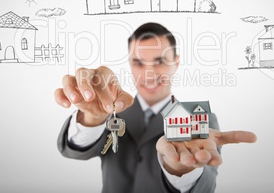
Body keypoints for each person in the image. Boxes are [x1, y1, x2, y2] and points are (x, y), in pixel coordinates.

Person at [55, 22, 256, 193]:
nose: (149, 73)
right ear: (130, 64)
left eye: (159, 61)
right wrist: (92, 117)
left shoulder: (201, 118)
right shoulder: (112, 113)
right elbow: (74, 151)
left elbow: (206, 186)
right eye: (138, 62)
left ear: (176, 63)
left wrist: (181, 170)